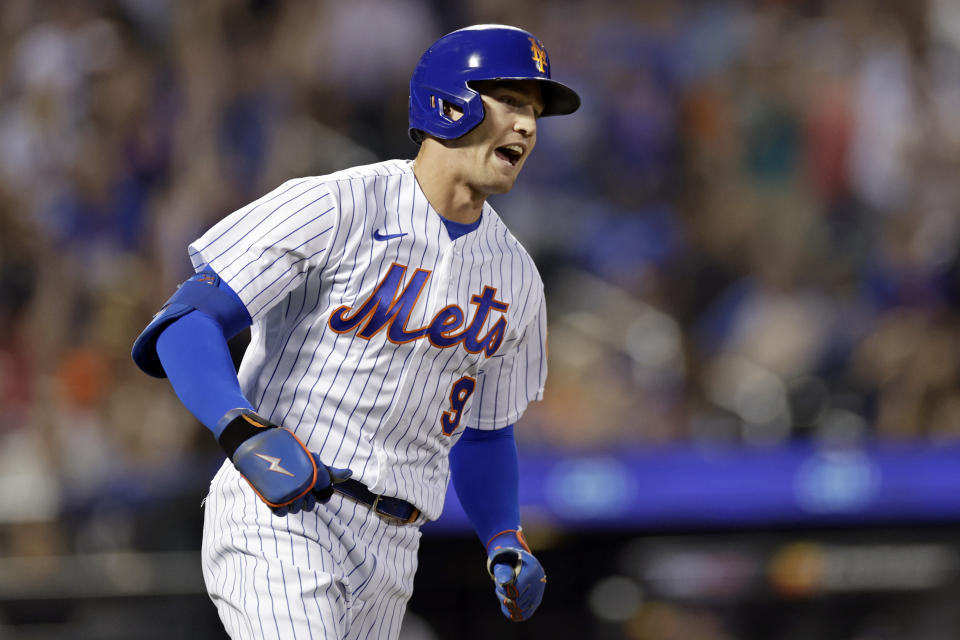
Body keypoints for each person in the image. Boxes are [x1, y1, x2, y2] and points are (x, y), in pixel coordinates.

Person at [132, 24, 579, 639]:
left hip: (396, 548)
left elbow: (484, 433)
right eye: (509, 102)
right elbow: (185, 324)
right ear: (449, 100)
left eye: (534, 112)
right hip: (282, 516)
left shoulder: (518, 278)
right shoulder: (338, 204)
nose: (527, 126)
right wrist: (240, 428)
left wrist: (503, 535)